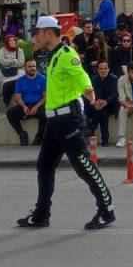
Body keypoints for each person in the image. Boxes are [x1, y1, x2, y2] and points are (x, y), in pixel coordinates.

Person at [14, 16, 116, 230]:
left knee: (84, 166)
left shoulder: (67, 55)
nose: (35, 37)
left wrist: (90, 93)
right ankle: (42, 214)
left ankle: (107, 210)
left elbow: (82, 76)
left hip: (69, 119)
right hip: (54, 122)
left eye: (37, 33)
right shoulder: (53, 56)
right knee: (44, 166)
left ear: (48, 33)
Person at [7, 59, 47, 146]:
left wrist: (36, 107)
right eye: (30, 66)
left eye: (34, 66)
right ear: (25, 68)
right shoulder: (20, 80)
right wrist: (24, 106)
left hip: (39, 105)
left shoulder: (43, 79)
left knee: (45, 114)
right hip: (25, 105)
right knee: (10, 113)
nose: (32, 68)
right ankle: (22, 134)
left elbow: (46, 97)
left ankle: (39, 137)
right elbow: (17, 97)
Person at [85, 61, 119, 146]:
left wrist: (105, 102)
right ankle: (105, 140)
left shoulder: (114, 78)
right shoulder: (93, 79)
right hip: (97, 104)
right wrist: (95, 103)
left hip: (109, 104)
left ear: (109, 69)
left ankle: (91, 129)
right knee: (100, 112)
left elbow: (115, 93)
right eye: (101, 69)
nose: (103, 70)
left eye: (105, 68)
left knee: (103, 111)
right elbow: (91, 93)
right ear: (97, 70)